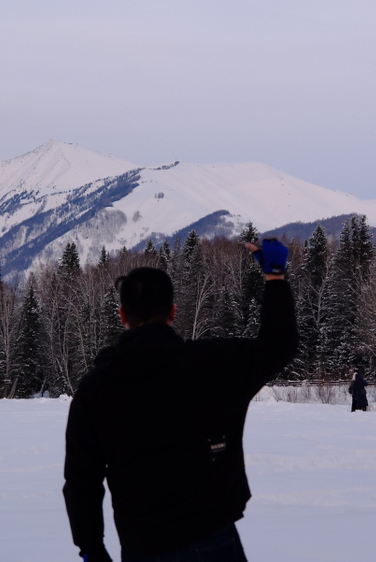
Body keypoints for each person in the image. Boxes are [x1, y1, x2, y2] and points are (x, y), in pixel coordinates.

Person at [63, 239, 298, 562]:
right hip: (214, 540)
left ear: (122, 316)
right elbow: (279, 344)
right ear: (173, 312)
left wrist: (91, 548)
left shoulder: (95, 389)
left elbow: (82, 480)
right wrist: (274, 276)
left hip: (143, 547)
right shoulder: (215, 365)